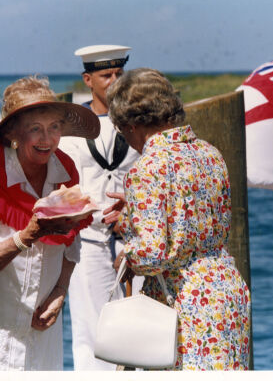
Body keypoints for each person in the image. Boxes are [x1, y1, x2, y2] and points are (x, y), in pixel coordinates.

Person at [103, 68, 251, 370]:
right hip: (226, 289)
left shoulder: (147, 168)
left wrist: (128, 255)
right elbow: (200, 223)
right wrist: (135, 217)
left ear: (132, 124)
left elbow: (153, 255)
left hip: (185, 302)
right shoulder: (210, 153)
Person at [0, 75, 100, 370]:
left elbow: (71, 238)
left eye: (54, 128)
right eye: (36, 129)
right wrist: (27, 235)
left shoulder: (65, 170)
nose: (47, 139)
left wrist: (60, 292)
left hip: (44, 323)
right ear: (14, 132)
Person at [59, 45, 142, 371]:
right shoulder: (69, 127)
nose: (114, 81)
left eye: (120, 74)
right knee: (88, 327)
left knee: (139, 326)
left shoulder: (139, 123)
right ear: (88, 79)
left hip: (134, 237)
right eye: (106, 75)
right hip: (88, 241)